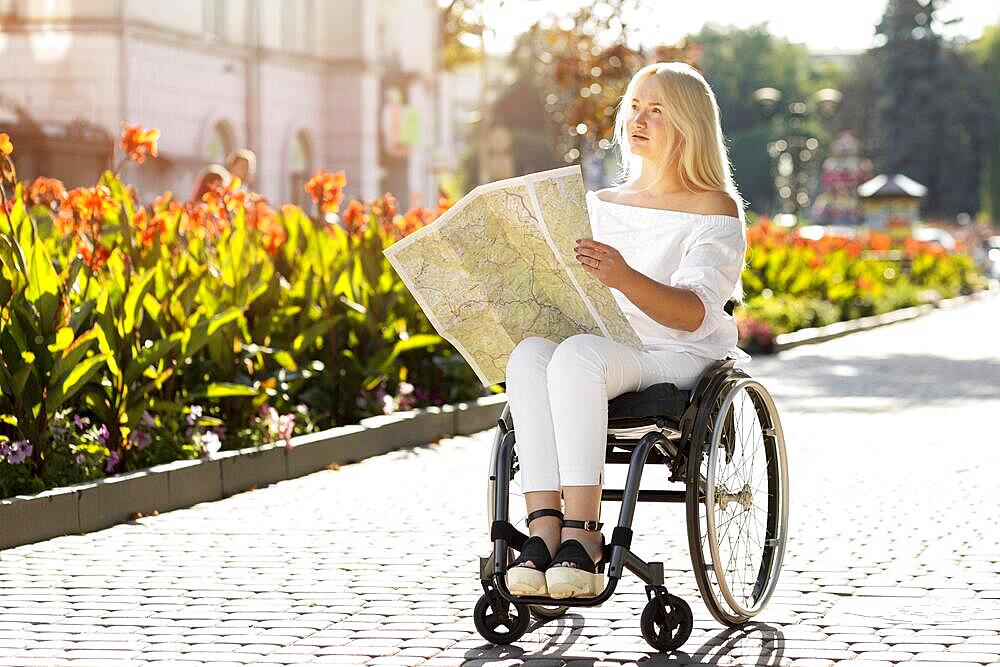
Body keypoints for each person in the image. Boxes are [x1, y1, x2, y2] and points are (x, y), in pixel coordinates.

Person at [504, 61, 751, 600]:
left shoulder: (714, 208)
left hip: (676, 352)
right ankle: (544, 530)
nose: (640, 119)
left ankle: (585, 536)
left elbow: (691, 314)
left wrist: (622, 275)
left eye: (658, 111)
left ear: (688, 125)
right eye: (635, 106)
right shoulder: (597, 205)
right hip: (601, 344)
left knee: (578, 358)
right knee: (528, 355)